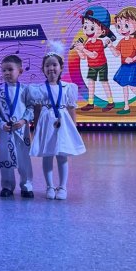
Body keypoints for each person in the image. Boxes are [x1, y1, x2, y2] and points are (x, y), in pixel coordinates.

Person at [30, 44, 86, 200]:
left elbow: (71, 108)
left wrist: (73, 128)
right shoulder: (39, 89)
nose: (51, 68)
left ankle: (62, 187)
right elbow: (37, 110)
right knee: (47, 155)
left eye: (54, 65)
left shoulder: (68, 88)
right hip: (46, 123)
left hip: (63, 125)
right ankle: (49, 186)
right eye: (47, 66)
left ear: (61, 68)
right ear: (43, 69)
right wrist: (36, 129)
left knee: (62, 155)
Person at [0, 54, 34, 199]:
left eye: (10, 69)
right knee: (6, 158)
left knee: (24, 159)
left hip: (22, 131)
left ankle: (26, 185)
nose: (6, 73)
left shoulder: (25, 89)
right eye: (4, 70)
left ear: (20, 71)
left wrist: (23, 121)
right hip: (5, 131)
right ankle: (7, 186)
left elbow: (30, 107)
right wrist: (1, 124)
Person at [74, 6, 115, 112]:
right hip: (91, 66)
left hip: (102, 65)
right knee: (91, 83)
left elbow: (93, 55)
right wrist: (78, 50)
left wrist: (83, 48)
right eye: (85, 26)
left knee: (104, 82)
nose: (87, 30)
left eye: (92, 28)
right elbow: (83, 57)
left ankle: (111, 102)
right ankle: (90, 103)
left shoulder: (99, 42)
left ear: (103, 31)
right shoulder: (87, 43)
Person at [107, 6, 136, 115]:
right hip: (124, 66)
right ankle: (126, 106)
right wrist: (111, 46)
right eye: (118, 26)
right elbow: (117, 54)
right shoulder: (121, 41)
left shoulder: (134, 40)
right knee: (124, 86)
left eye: (126, 25)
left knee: (132, 86)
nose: (122, 29)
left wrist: (133, 58)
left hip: (133, 66)